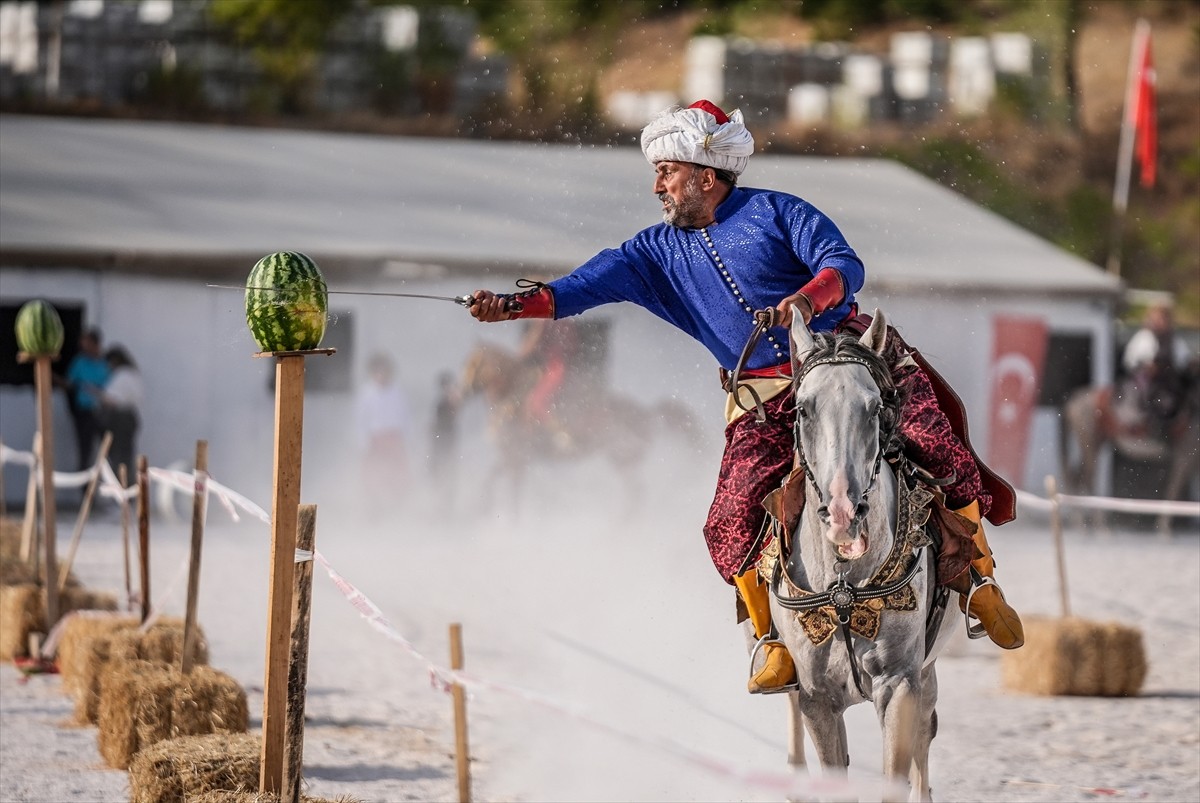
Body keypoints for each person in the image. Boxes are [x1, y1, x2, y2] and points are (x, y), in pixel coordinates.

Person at [467, 100, 1023, 696]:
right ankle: (771, 641)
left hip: (848, 363)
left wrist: (806, 301)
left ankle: (983, 582)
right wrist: (515, 306)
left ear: (706, 176)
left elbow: (844, 264)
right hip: (763, 399)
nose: (656, 185)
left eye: (667, 172)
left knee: (939, 446)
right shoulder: (651, 252)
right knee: (726, 521)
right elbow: (581, 286)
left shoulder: (778, 213)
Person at [1121, 301, 1194, 425]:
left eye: (1162, 318)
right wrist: (1145, 367)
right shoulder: (1143, 337)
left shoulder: (1175, 341)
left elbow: (1184, 362)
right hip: (1143, 384)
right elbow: (1130, 360)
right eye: (1155, 318)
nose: (1158, 322)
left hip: (1168, 384)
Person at [357, 352, 411, 516]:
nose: (381, 375)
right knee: (373, 476)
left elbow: (405, 417)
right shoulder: (367, 393)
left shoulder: (397, 392)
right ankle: (374, 508)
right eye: (378, 371)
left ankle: (396, 508)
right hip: (375, 441)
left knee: (396, 475)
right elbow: (360, 419)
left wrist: (406, 440)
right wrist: (362, 442)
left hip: (394, 440)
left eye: (384, 371)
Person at [59, 327, 110, 471]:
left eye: (86, 343)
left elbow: (112, 391)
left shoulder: (105, 364)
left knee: (109, 450)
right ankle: (85, 490)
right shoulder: (79, 362)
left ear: (95, 344)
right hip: (84, 414)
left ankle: (114, 486)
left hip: (103, 413)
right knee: (85, 451)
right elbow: (69, 383)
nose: (83, 346)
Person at [95, 345, 143, 481]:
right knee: (126, 455)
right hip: (130, 418)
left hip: (120, 419)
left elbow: (111, 399)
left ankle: (121, 490)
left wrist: (96, 393)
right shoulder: (133, 375)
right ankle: (127, 488)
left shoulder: (122, 376)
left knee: (118, 456)